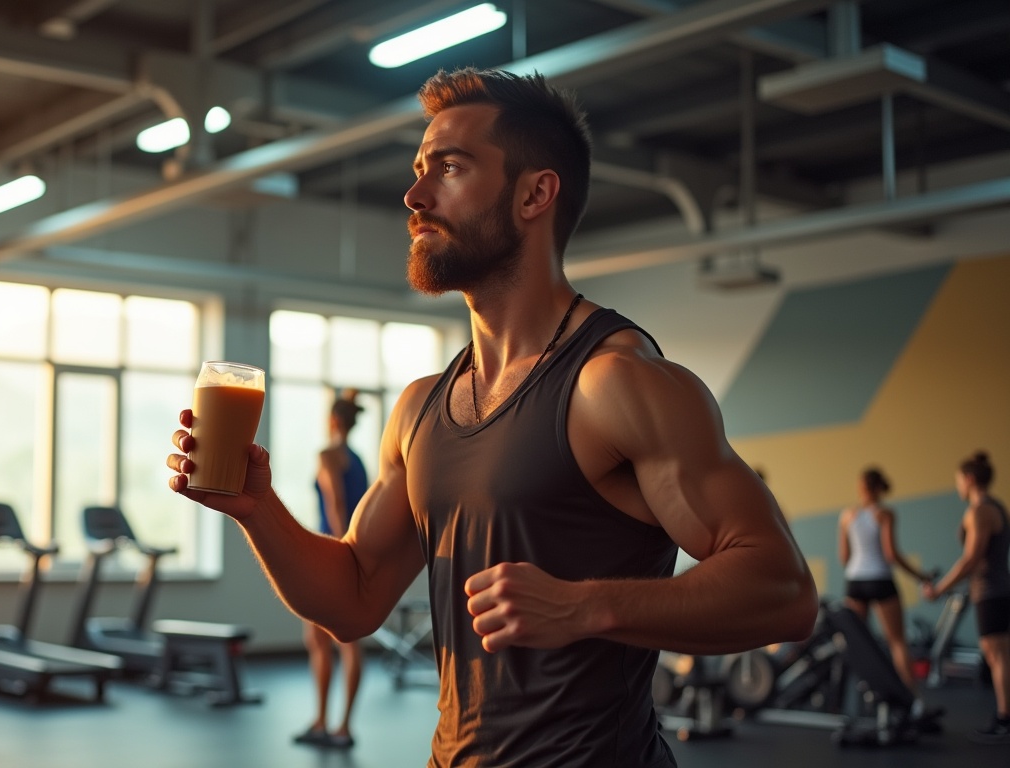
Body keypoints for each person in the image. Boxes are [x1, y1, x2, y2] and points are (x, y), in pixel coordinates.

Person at [167, 68, 817, 767]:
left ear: (535, 193)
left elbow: (782, 589)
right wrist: (258, 508)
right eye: (419, 171)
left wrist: (587, 606)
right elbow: (354, 598)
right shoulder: (420, 408)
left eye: (450, 168)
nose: (415, 197)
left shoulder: (614, 383)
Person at [295, 390, 369, 749]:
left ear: (333, 420)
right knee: (348, 642)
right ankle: (338, 726)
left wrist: (341, 554)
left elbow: (336, 506)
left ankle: (326, 721)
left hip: (329, 551)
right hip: (353, 549)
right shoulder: (358, 459)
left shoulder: (327, 455)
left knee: (319, 640)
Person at [923, 451, 1010, 744]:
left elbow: (970, 559)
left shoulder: (980, 511)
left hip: (992, 591)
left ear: (970, 479)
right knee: (997, 655)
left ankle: (1004, 717)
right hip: (990, 590)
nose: (957, 486)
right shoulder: (990, 506)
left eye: (959, 480)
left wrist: (939, 589)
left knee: (998, 656)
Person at [837, 467, 931, 691]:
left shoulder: (847, 515)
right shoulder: (885, 514)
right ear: (879, 487)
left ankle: (856, 695)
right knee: (897, 641)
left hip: (855, 581)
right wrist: (921, 576)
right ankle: (912, 698)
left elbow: (844, 557)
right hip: (879, 579)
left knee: (857, 643)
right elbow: (891, 555)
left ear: (861, 487)